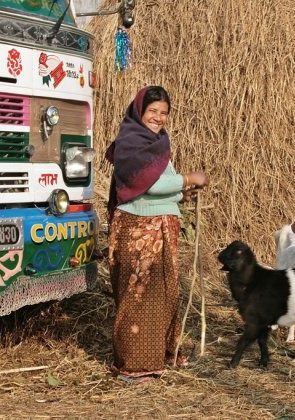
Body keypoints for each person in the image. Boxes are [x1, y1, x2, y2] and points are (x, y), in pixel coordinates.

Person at [105, 86, 209, 382]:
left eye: (164, 113)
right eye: (153, 111)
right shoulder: (132, 142)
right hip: (139, 232)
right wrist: (189, 178)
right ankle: (133, 367)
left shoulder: (159, 142)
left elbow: (161, 186)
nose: (158, 118)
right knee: (138, 300)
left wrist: (180, 196)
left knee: (162, 296)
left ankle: (160, 356)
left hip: (159, 230)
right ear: (140, 111)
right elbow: (147, 184)